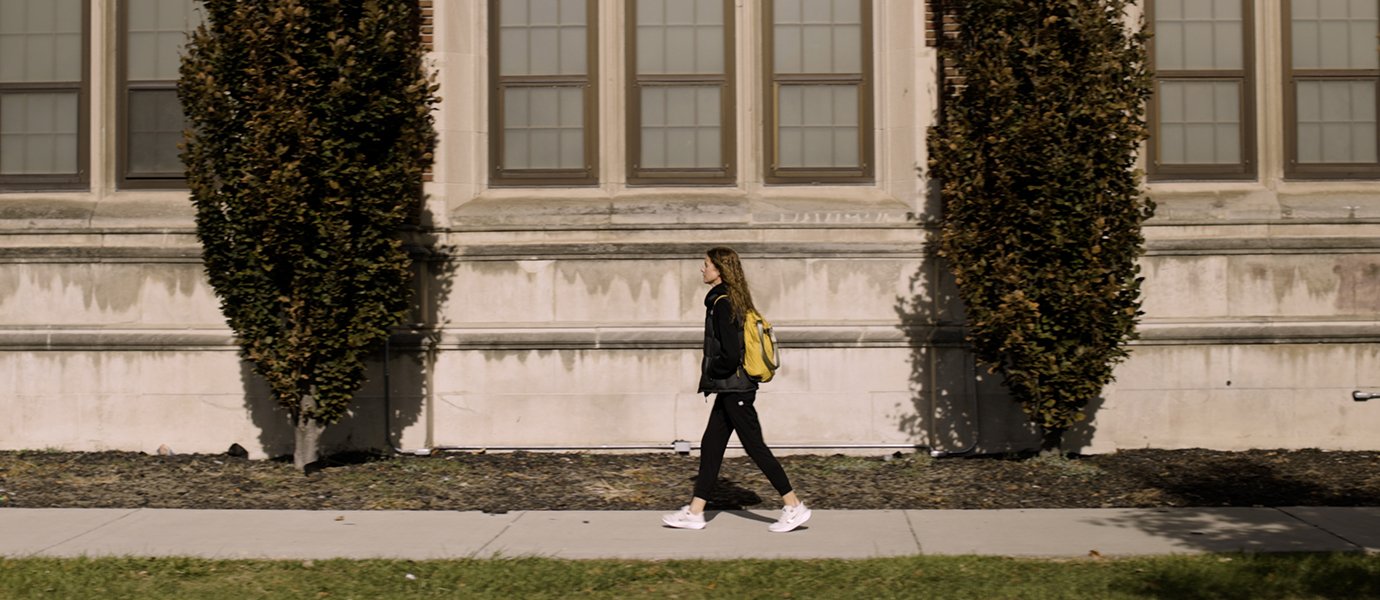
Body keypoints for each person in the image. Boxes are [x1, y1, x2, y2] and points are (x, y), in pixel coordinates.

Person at [661, 247, 811, 533]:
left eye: (706, 264)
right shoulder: (729, 298)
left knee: (755, 446)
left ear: (719, 270)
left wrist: (713, 372)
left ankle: (794, 505)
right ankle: (695, 512)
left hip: (736, 388)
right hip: (731, 389)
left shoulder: (723, 303)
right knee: (711, 445)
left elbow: (730, 354)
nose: (702, 269)